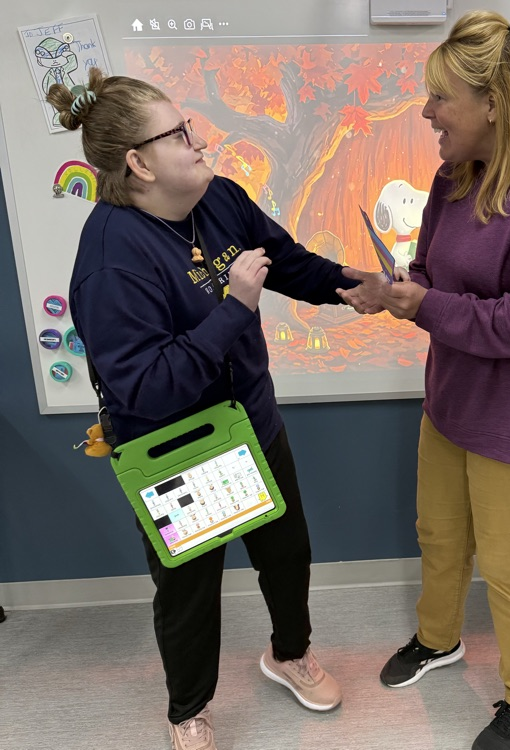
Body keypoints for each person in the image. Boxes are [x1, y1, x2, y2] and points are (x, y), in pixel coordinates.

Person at [47, 68, 381, 750]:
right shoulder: (111, 261)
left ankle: (288, 655)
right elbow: (149, 387)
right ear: (138, 163)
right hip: (180, 450)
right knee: (189, 592)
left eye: (189, 125)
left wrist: (352, 285)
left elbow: (284, 262)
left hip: (253, 425)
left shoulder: (221, 199)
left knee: (287, 555)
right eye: (178, 134)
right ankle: (188, 711)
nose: (198, 141)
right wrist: (234, 308)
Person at [339, 11, 510, 750]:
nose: (427, 112)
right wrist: (397, 288)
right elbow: (435, 274)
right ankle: (440, 641)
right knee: (440, 536)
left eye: (440, 98)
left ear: (493, 100)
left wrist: (426, 304)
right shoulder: (455, 175)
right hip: (457, 405)